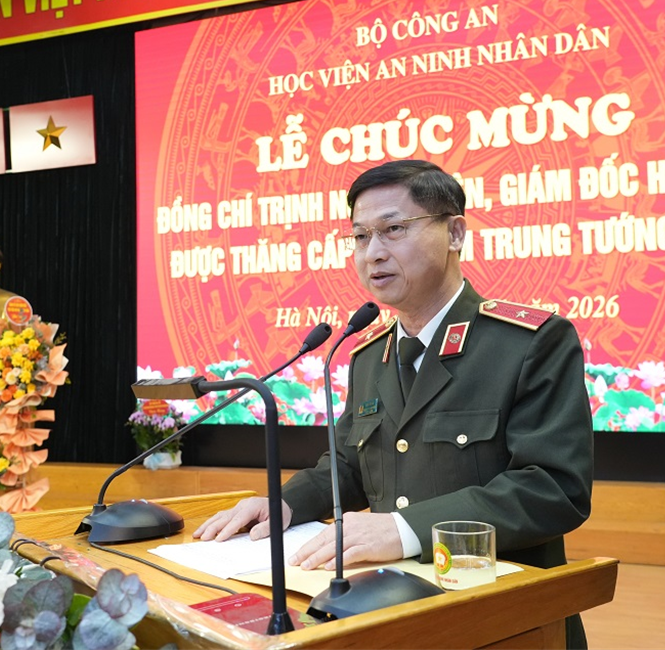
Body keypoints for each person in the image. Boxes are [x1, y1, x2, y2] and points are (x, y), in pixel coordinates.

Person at [194, 160, 593, 648]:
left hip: (503, 620)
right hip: (392, 616)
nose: (373, 253)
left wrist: (405, 530)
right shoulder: (369, 356)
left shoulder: (528, 343)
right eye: (361, 237)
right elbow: (350, 467)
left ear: (455, 234)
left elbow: (553, 488)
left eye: (394, 229)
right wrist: (283, 505)